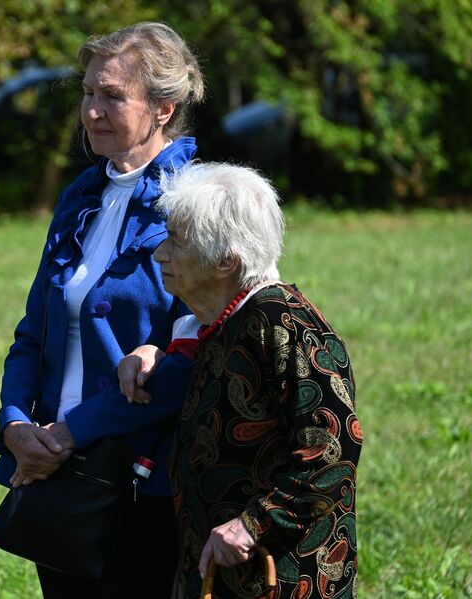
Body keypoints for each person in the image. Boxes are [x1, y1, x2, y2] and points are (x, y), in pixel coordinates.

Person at [0, 22, 205, 598]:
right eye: (88, 92)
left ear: (164, 107)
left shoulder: (199, 203)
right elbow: (34, 330)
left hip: (141, 478)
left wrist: (69, 432)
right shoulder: (81, 194)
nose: (91, 111)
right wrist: (14, 423)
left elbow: (187, 361)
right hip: (51, 472)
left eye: (113, 96)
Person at [119, 163, 362, 598]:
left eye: (176, 241)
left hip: (282, 574)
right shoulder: (224, 320)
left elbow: (333, 450)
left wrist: (253, 524)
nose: (159, 254)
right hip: (223, 570)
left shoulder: (282, 322)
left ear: (226, 262)